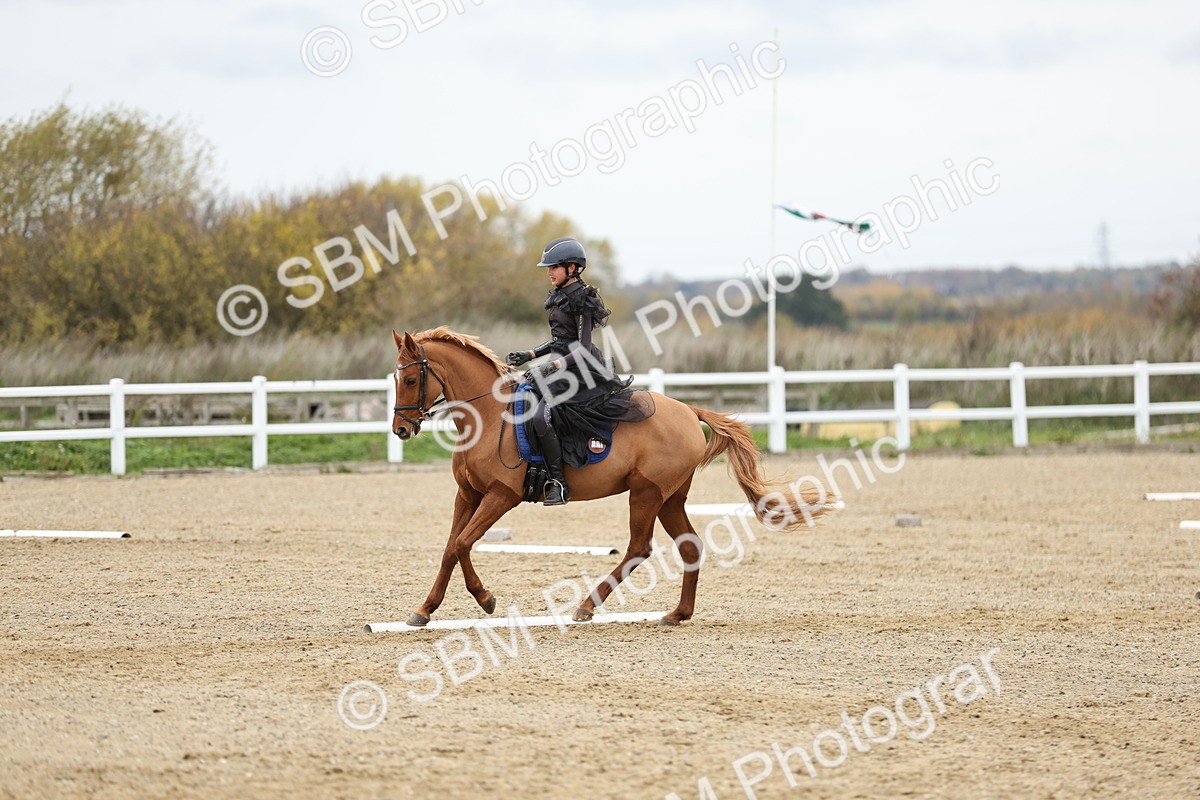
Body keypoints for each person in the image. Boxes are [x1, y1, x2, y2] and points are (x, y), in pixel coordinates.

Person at [506, 237, 651, 506]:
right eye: (548, 268)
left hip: (581, 372)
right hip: (562, 366)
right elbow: (559, 342)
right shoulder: (558, 296)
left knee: (540, 415)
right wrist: (530, 355)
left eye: (554, 267)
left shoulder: (583, 299)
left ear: (572, 268)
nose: (549, 272)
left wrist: (551, 365)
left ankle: (559, 482)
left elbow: (582, 348)